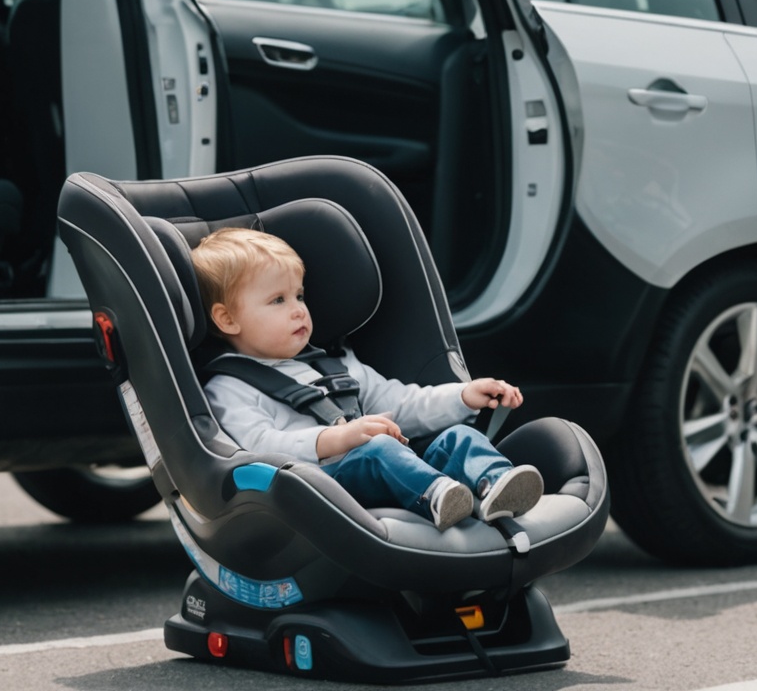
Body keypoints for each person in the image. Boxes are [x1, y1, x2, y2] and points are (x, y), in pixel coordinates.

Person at [191, 227, 543, 530]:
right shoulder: (229, 389)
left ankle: (496, 485)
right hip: (317, 491)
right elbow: (259, 448)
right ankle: (437, 495)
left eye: (299, 295)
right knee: (377, 451)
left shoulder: (339, 367)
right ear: (227, 319)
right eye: (277, 300)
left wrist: (463, 396)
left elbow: (402, 404)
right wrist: (336, 439)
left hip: (387, 465)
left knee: (457, 438)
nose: (299, 308)